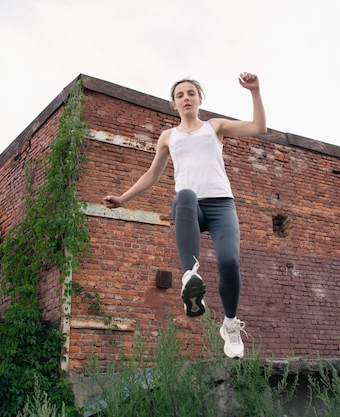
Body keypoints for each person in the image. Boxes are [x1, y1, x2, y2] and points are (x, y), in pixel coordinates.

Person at [102, 72, 266, 359]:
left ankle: (229, 325)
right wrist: (123, 198)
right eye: (180, 95)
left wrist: (254, 91)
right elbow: (152, 174)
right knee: (185, 193)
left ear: (199, 99)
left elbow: (258, 127)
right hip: (189, 208)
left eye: (191, 93)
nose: (186, 98)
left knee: (230, 261)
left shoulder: (215, 127)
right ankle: (191, 277)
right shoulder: (168, 137)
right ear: (174, 104)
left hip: (221, 206)